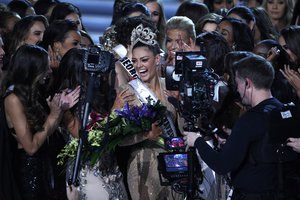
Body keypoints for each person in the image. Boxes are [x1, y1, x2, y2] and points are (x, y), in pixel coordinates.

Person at [183, 53, 285, 199]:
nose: (236, 89)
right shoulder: (281, 110)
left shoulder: (248, 121)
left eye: (238, 83)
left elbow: (222, 165)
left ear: (247, 83)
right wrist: (234, 139)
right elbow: (263, 146)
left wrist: (197, 141)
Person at [1, 44, 79, 200]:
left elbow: (46, 132)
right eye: (45, 67)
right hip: (29, 170)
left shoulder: (34, 93)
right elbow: (30, 147)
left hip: (45, 164)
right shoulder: (13, 99)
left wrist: (60, 111)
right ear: (32, 69)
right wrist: (53, 116)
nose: (49, 71)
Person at [49, 47, 128, 200]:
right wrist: (114, 112)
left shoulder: (97, 97)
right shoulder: (65, 102)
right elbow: (87, 139)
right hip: (89, 174)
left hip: (111, 170)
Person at [113, 23, 180, 200]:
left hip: (175, 163)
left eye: (144, 60)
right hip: (142, 164)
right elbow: (118, 139)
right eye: (134, 61)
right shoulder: (127, 92)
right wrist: (145, 135)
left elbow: (183, 128)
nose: (139, 66)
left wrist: (180, 103)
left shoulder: (171, 88)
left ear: (157, 59)